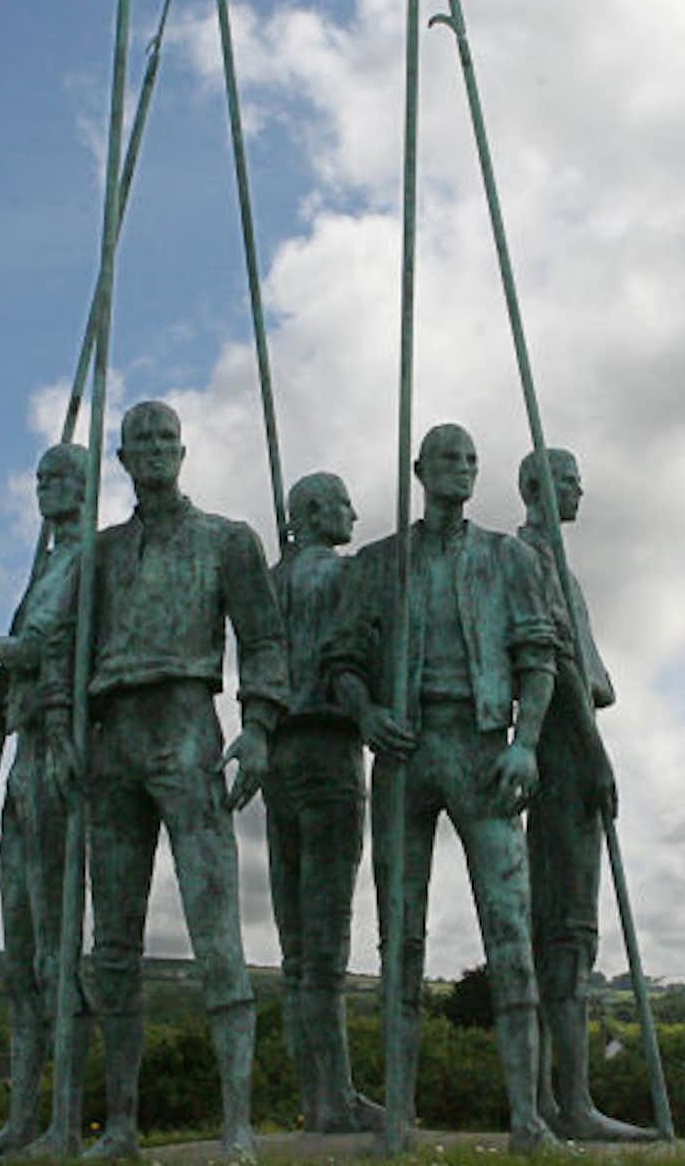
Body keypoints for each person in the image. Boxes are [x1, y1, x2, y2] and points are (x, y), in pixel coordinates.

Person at [25, 400, 285, 1160]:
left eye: (166, 438)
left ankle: (238, 1124)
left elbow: (265, 641)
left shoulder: (227, 541)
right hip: (111, 740)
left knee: (215, 932)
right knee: (113, 947)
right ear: (123, 457)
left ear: (184, 449)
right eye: (140, 440)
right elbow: (64, 653)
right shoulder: (98, 554)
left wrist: (260, 726)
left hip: (185, 729)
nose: (155, 450)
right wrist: (56, 726)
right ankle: (123, 1125)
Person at [327, 423, 561, 1153]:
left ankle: (528, 1118)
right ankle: (397, 1118)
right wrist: (366, 712)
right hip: (405, 752)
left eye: (469, 459)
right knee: (401, 938)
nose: (458, 469)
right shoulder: (378, 563)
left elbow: (538, 656)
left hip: (484, 748)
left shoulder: (508, 558)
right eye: (446, 458)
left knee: (511, 933)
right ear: (419, 469)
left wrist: (526, 744)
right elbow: (342, 659)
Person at [0, 443, 88, 1156]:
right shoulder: (42, 570)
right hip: (22, 756)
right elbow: (5, 689)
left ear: (90, 485)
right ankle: (21, 1119)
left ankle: (66, 1121)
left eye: (61, 477)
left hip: (64, 755)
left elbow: (74, 652)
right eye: (40, 478)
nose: (47, 488)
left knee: (58, 958)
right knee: (19, 960)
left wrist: (17, 649)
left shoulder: (101, 562)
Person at [516, 447, 654, 1142]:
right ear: (535, 488)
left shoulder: (554, 563)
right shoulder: (534, 560)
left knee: (558, 934)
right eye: (567, 481)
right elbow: (558, 662)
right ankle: (570, 1103)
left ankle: (552, 1098)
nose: (579, 492)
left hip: (570, 743)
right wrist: (595, 754)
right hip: (565, 752)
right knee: (568, 932)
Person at [264, 471, 382, 1134]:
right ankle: (333, 1097)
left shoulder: (270, 583)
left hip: (276, 752)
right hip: (331, 752)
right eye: (342, 503)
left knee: (295, 946)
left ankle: (318, 1094)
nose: (355, 514)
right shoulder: (345, 577)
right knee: (326, 942)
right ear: (311, 513)